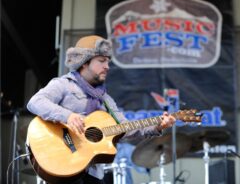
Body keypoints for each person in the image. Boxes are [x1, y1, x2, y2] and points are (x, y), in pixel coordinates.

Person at [26, 35, 176, 184]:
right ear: (84, 62)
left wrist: (157, 125)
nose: (107, 66)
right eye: (102, 61)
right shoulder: (64, 85)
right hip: (64, 165)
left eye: (108, 62)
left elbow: (124, 128)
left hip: (93, 173)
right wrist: (68, 116)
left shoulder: (106, 100)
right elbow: (35, 102)